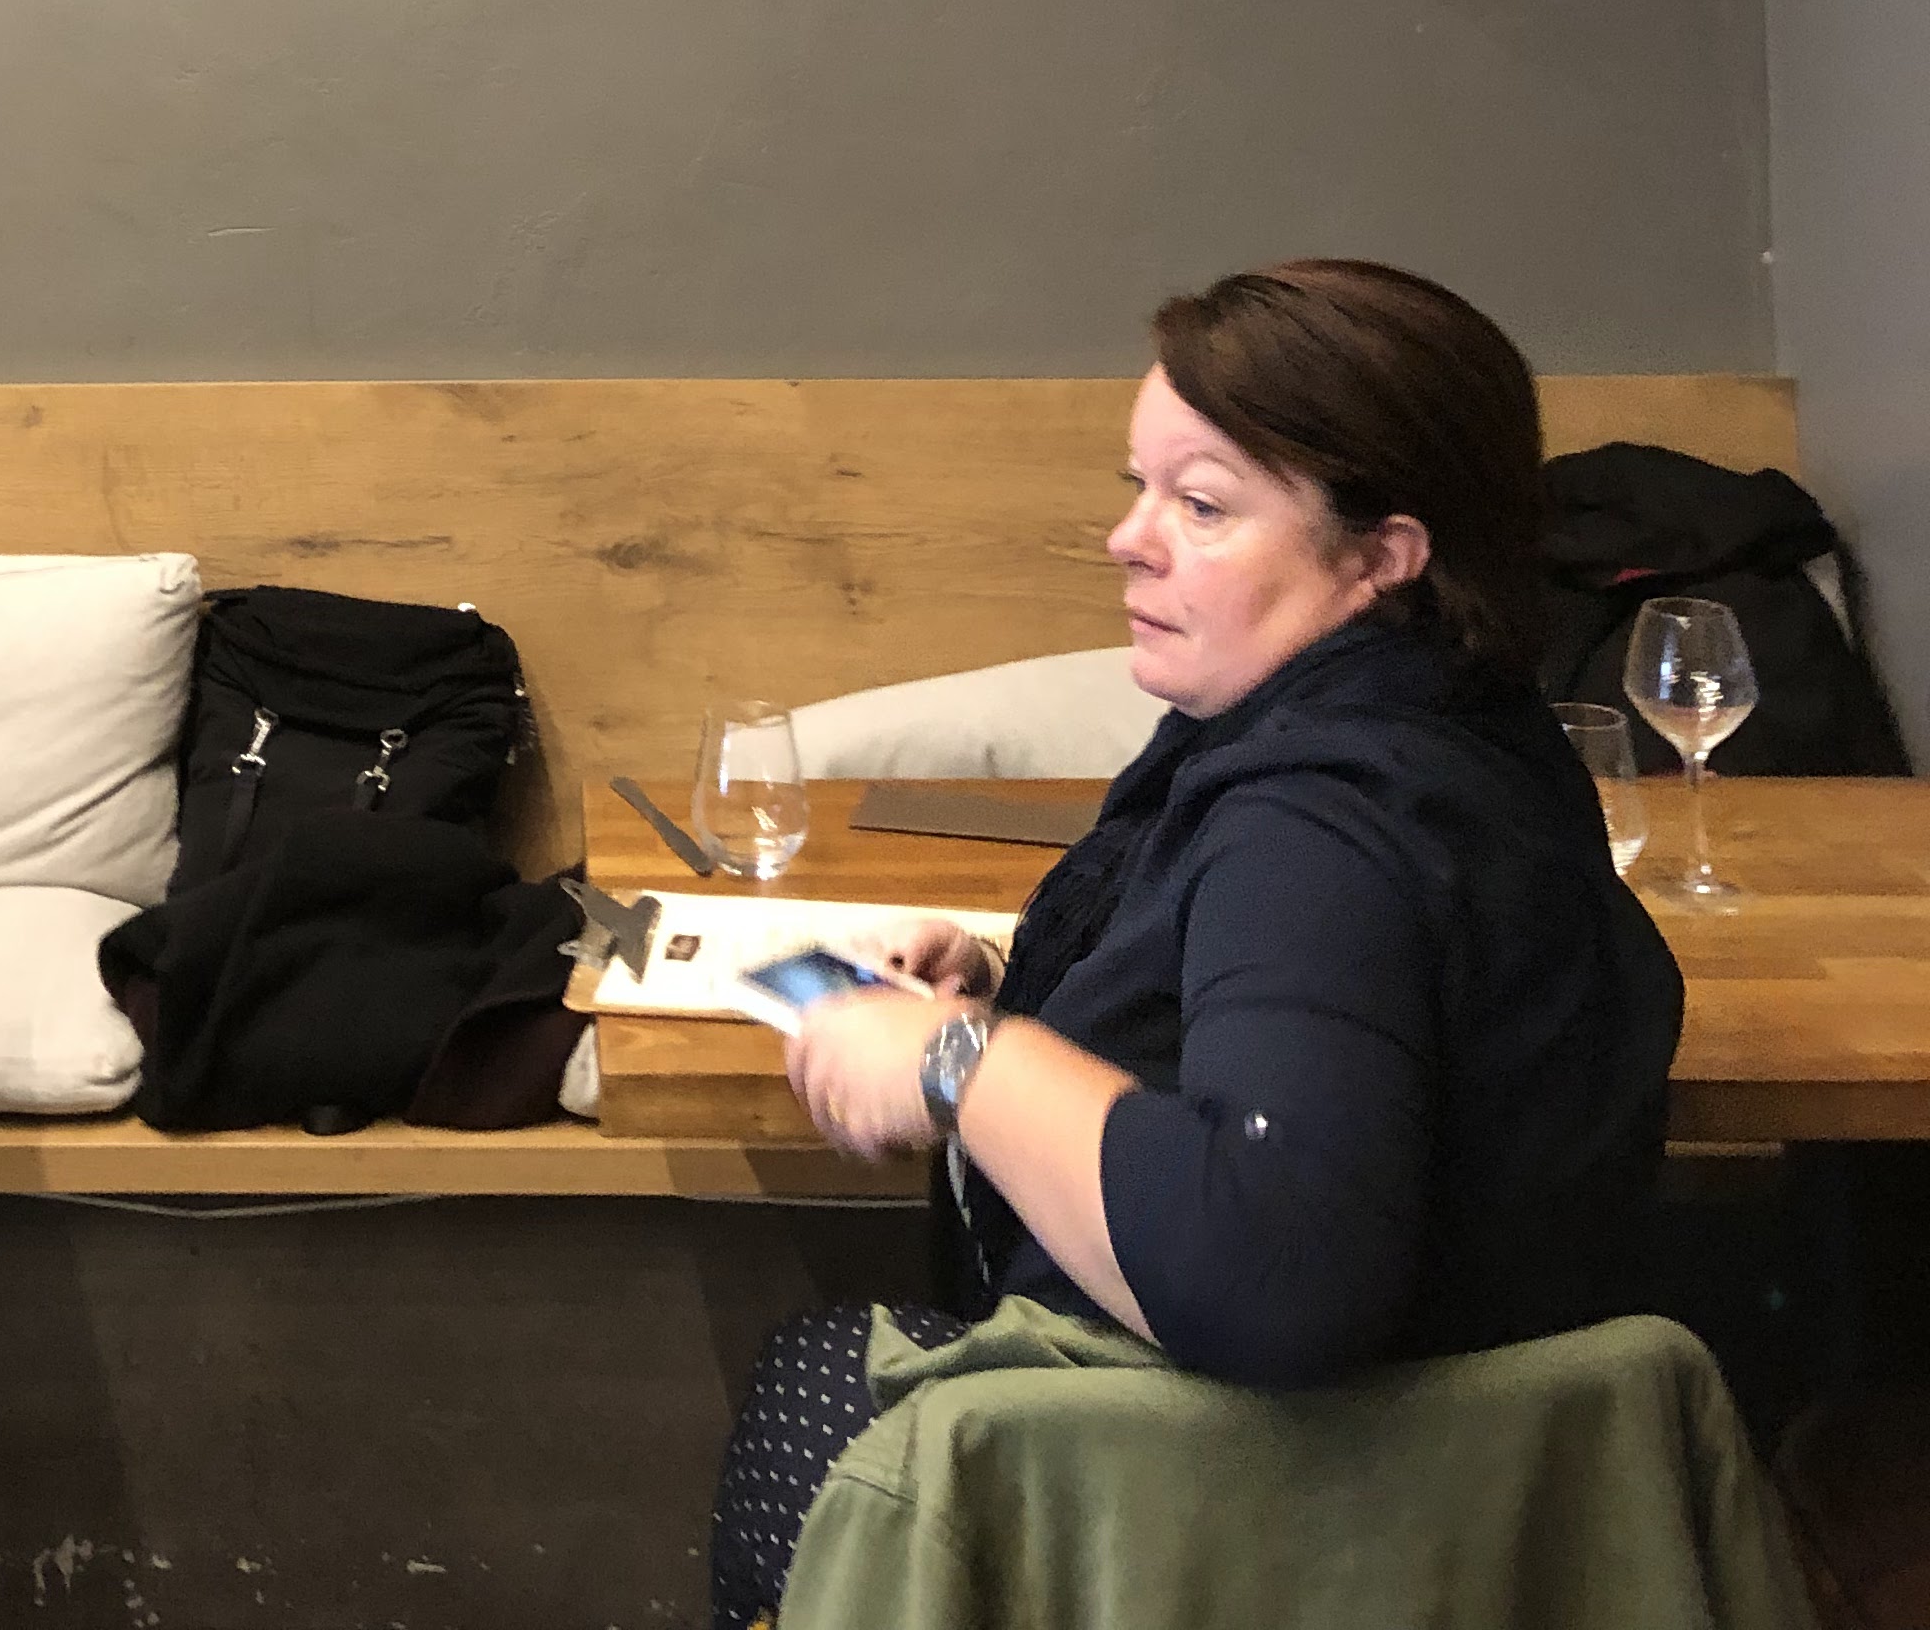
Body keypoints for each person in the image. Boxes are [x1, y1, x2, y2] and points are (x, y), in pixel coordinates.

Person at [707, 258, 1686, 1630]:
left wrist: (957, 1061)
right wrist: (1029, 990)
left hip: (1308, 1504)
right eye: (1142, 487)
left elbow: (1276, 1269)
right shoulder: (1461, 724)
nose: (1131, 538)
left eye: (1205, 505)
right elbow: (1340, 1010)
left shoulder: (1318, 828)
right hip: (1494, 1481)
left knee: (811, 1388)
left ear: (1383, 557)